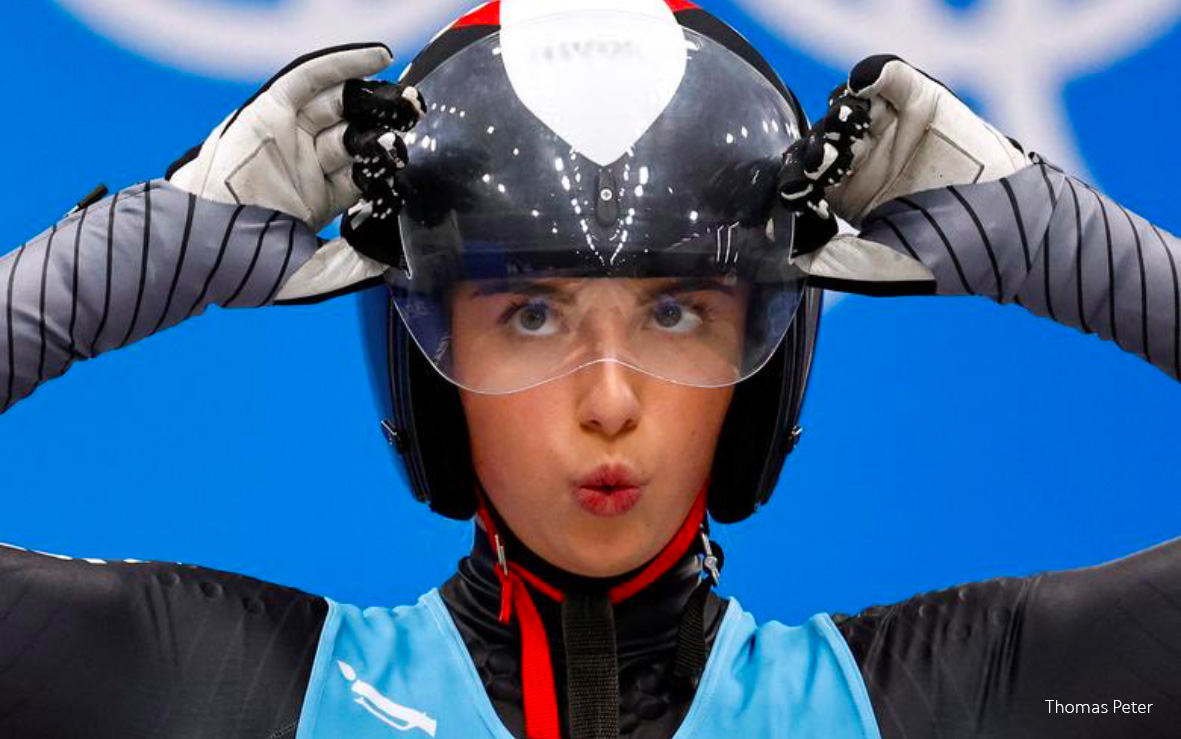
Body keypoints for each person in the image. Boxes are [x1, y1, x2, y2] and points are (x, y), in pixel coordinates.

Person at [0, 2, 1178, 738]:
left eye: (673, 309)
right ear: (430, 354)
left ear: (760, 363)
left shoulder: (946, 705)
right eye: (528, 314)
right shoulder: (212, 696)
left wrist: (1069, 248)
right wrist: (121, 262)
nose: (608, 400)